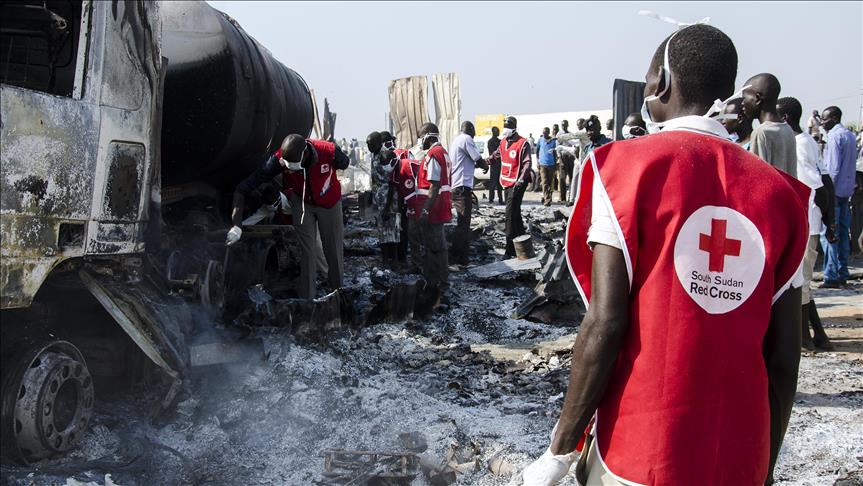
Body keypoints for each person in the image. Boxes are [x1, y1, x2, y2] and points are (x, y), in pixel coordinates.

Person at [523, 24, 809, 486]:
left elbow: (605, 323)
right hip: (739, 456)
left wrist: (560, 451)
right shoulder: (782, 197)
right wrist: (765, 464)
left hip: (642, 449)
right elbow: (783, 358)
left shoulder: (625, 170)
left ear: (661, 82)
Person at [229, 135, 350, 299]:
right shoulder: (278, 160)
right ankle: (308, 301)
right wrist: (236, 225)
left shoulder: (328, 151)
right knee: (308, 252)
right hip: (301, 202)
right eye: (290, 169)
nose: (293, 171)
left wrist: (339, 162)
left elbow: (345, 162)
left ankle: (338, 295)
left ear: (305, 154)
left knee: (333, 251)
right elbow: (243, 188)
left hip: (329, 203)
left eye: (295, 168)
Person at [777, 97, 836, 351]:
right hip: (811, 220)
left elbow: (817, 186)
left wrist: (826, 221)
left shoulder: (798, 144)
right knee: (805, 281)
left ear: (786, 119)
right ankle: (818, 336)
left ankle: (804, 339)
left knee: (801, 282)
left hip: (807, 221)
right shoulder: (808, 141)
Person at [410, 122, 452, 292]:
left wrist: (425, 210)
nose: (420, 141)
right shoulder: (443, 152)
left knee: (433, 247)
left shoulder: (434, 154)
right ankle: (441, 281)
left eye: (421, 137)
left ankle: (436, 284)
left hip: (433, 209)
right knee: (439, 246)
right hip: (439, 206)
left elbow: (434, 186)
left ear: (428, 135)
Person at [819, 106, 857, 288]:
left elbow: (833, 168)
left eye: (825, 119)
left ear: (833, 118)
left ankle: (831, 274)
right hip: (847, 191)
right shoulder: (849, 135)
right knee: (842, 233)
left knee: (829, 235)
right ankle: (843, 271)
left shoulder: (834, 136)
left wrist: (827, 192)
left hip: (834, 192)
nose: (822, 122)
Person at [488, 116, 533, 258]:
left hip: (519, 182)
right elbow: (496, 155)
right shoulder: (503, 142)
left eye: (508, 126)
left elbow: (527, 163)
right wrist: (484, 162)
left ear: (514, 127)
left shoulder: (522, 143)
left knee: (509, 214)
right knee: (515, 213)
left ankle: (510, 249)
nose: (505, 129)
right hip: (507, 180)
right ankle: (524, 245)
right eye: (504, 126)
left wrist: (521, 179)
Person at [742, 73, 797, 177]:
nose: (742, 103)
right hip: (788, 193)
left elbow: (758, 177)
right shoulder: (787, 129)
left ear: (757, 99)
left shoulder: (761, 132)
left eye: (744, 98)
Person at [449, 121, 488, 266]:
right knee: (463, 224)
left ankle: (461, 257)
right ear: (470, 129)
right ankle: (457, 257)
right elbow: (478, 159)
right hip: (461, 186)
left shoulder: (457, 140)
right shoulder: (467, 139)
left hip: (458, 185)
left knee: (462, 222)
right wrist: (485, 166)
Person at [371, 131, 401, 267]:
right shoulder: (375, 155)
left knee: (393, 230)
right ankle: (385, 260)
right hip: (380, 199)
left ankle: (393, 261)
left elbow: (391, 183)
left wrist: (388, 207)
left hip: (389, 200)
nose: (368, 146)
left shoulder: (386, 155)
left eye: (370, 143)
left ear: (378, 143)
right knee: (383, 231)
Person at [536, 127, 558, 206]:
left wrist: (556, 163)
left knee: (550, 183)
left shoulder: (553, 141)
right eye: (543, 133)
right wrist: (537, 161)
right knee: (544, 182)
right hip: (543, 165)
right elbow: (537, 150)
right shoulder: (540, 140)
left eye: (546, 133)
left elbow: (555, 153)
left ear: (549, 133)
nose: (544, 134)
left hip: (551, 165)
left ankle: (548, 196)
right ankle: (547, 200)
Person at [556, 119, 576, 203]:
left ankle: (571, 197)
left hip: (570, 157)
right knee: (562, 178)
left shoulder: (570, 134)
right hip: (563, 157)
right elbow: (557, 147)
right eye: (562, 125)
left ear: (567, 125)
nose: (564, 126)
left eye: (565, 124)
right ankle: (562, 198)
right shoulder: (559, 134)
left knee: (572, 177)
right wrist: (559, 157)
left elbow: (573, 144)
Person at [486, 126, 504, 204]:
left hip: (500, 164)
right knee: (492, 183)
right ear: (493, 132)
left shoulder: (500, 141)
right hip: (494, 164)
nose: (498, 132)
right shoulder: (490, 141)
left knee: (499, 183)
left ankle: (500, 199)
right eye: (497, 131)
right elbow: (493, 152)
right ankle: (491, 199)